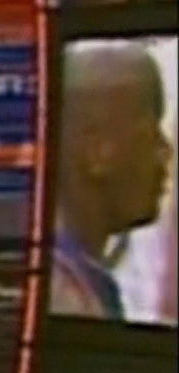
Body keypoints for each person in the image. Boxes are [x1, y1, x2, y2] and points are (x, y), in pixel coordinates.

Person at [53, 41, 174, 321]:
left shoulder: (82, 284)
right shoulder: (64, 300)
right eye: (151, 135)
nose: (165, 152)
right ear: (97, 153)